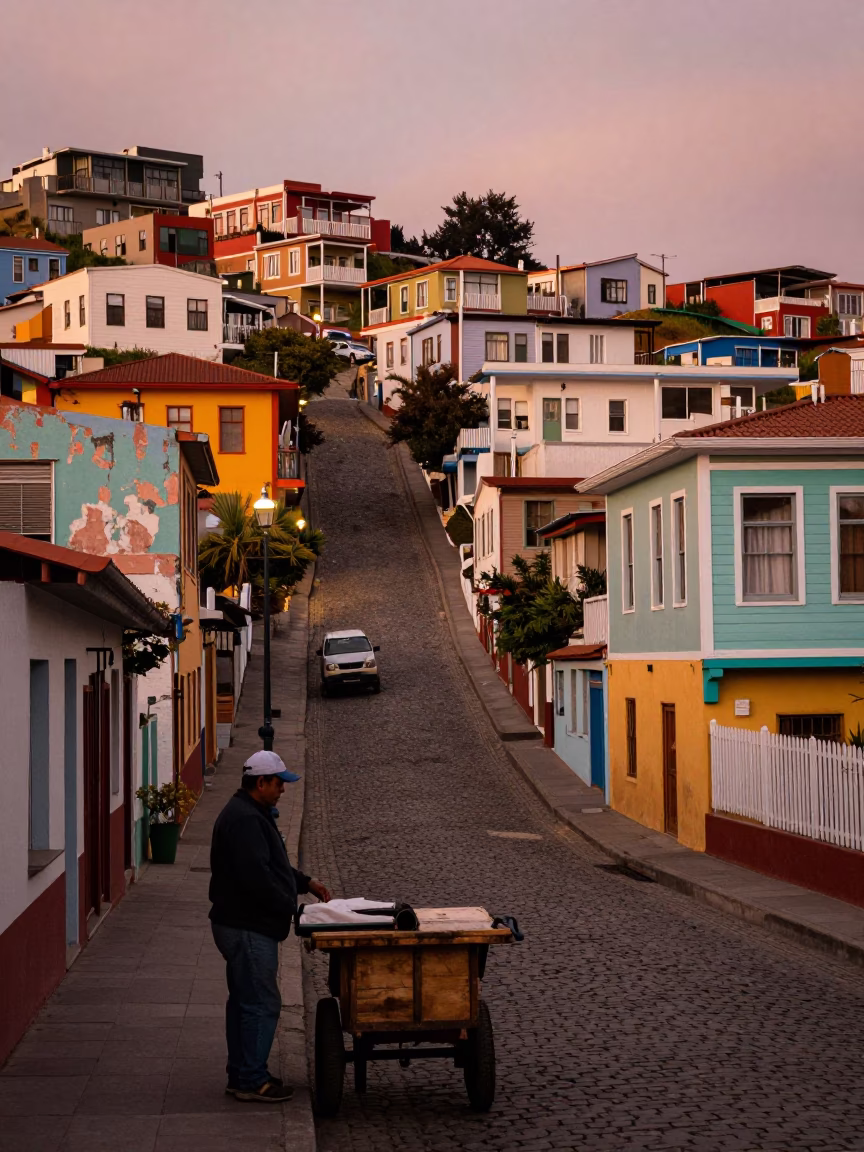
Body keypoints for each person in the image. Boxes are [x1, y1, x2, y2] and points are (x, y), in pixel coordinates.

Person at [209, 750, 331, 1102]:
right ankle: (251, 1079)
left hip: (238, 922)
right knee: (261, 1002)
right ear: (260, 782)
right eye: (279, 783)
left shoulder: (250, 812)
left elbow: (272, 864)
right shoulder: (246, 819)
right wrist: (293, 910)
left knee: (244, 1001)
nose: (283, 790)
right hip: (247, 926)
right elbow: (257, 877)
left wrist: (305, 882)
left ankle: (242, 1073)